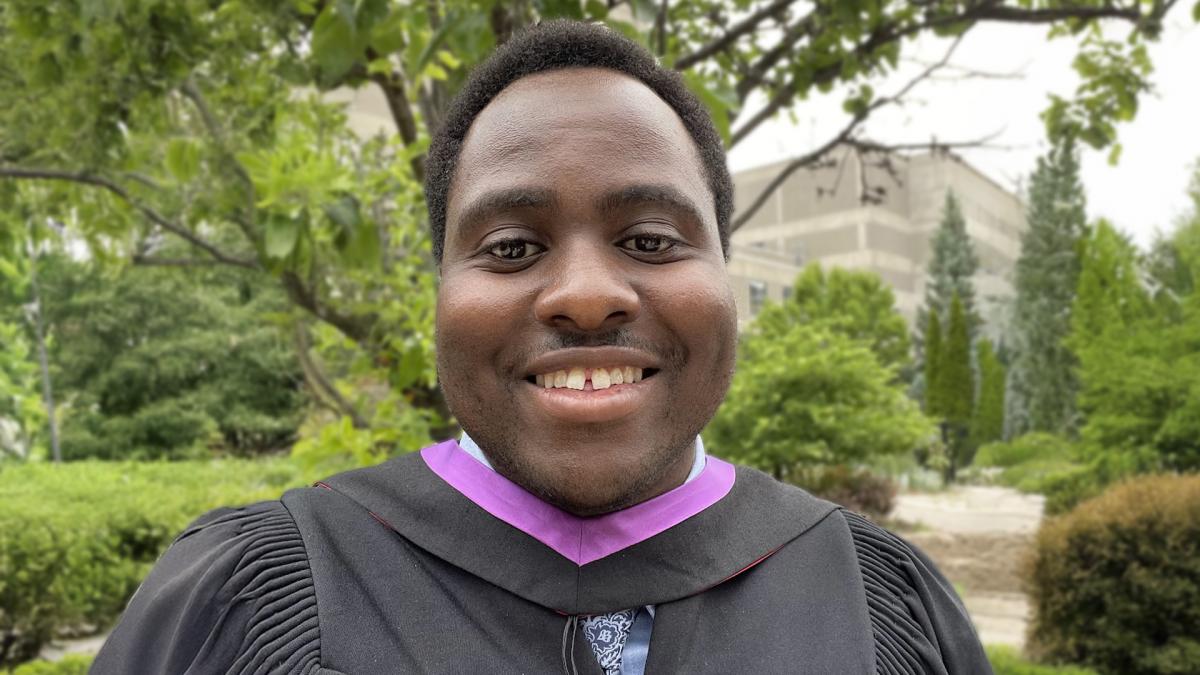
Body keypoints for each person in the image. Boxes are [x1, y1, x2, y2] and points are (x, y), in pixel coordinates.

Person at [92, 20, 992, 675]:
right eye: (512, 248)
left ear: (725, 275)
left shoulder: (878, 605)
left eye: (649, 239)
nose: (587, 296)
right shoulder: (255, 595)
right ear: (439, 296)